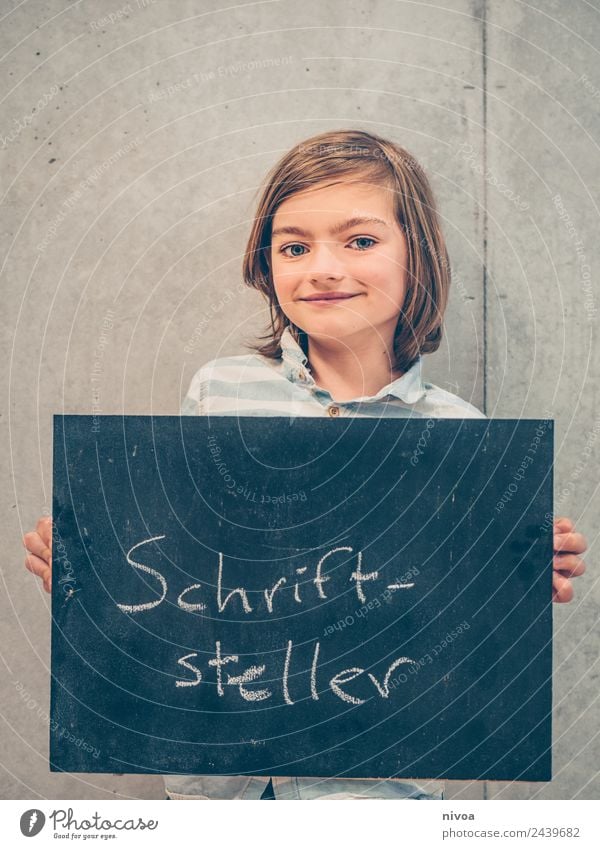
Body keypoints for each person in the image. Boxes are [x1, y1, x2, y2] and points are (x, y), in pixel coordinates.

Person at [23, 129, 587, 800]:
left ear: (420, 258)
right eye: (295, 246)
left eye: (360, 241)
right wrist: (97, 581)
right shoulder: (217, 393)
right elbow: (178, 577)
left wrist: (514, 582)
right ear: (268, 265)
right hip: (216, 794)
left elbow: (458, 647)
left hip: (377, 802)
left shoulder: (459, 438)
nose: (322, 268)